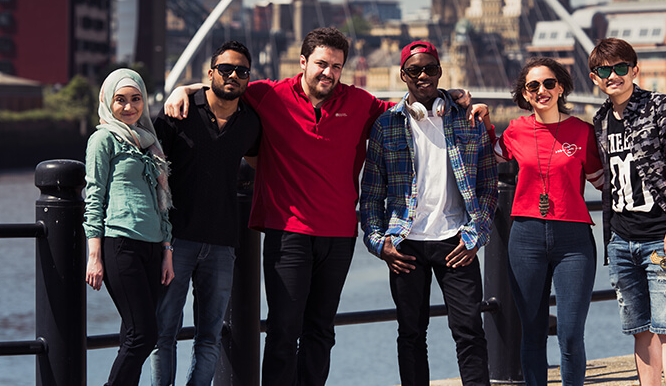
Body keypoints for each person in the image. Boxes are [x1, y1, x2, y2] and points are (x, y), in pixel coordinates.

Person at [164, 27, 471, 386]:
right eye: (322, 64)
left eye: (337, 66)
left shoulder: (360, 103)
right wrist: (182, 89)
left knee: (322, 331)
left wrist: (457, 100)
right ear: (303, 62)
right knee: (283, 331)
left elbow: (411, 109)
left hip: (339, 235)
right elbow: (226, 86)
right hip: (288, 231)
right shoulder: (269, 95)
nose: (329, 72)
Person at [360, 41, 497, 386]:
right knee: (410, 333)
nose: (423, 76)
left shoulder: (468, 120)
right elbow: (372, 193)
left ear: (440, 71)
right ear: (402, 75)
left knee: (469, 331)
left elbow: (488, 186)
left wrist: (476, 235)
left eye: (431, 69)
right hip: (406, 245)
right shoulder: (385, 125)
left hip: (456, 241)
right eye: (414, 70)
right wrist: (379, 243)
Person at [482, 57, 605, 386]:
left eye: (549, 83)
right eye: (533, 86)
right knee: (532, 332)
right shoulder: (516, 131)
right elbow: (482, 153)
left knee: (570, 335)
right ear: (524, 93)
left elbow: (606, 181)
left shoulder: (582, 132)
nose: (542, 90)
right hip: (525, 239)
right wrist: (478, 115)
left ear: (561, 87)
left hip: (574, 241)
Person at [150, 41, 261, 386]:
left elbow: (263, 165)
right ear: (210, 73)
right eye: (225, 69)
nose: (233, 76)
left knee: (209, 337)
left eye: (241, 71)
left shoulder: (250, 123)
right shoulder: (177, 113)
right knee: (163, 333)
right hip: (175, 241)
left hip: (222, 244)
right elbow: (148, 168)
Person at [589, 38, 666, 386]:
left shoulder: (658, 106)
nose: (614, 76)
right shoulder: (601, 119)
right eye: (605, 70)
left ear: (635, 70)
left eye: (621, 68)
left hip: (660, 236)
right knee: (639, 330)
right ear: (595, 78)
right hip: (621, 240)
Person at [84, 68, 176, 386]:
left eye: (135, 99)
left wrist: (166, 250)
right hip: (120, 243)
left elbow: (162, 203)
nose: (129, 107)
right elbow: (94, 196)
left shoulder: (150, 144)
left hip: (153, 247)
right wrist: (94, 255)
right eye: (120, 100)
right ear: (108, 101)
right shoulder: (103, 139)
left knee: (131, 335)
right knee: (143, 335)